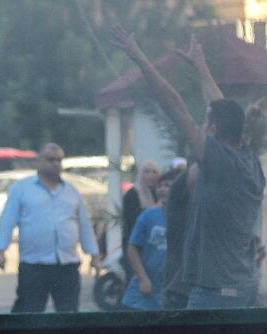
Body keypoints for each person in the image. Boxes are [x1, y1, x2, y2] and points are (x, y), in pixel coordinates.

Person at [113, 26, 265, 309]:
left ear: (215, 130)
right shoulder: (248, 161)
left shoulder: (220, 162)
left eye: (206, 123)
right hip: (241, 286)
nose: (202, 127)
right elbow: (221, 110)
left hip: (217, 294)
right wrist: (201, 66)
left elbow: (175, 106)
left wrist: (140, 58)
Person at [0, 143, 100, 313]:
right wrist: (1, 250)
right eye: (50, 159)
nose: (55, 164)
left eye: (59, 160)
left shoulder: (71, 191)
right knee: (29, 316)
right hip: (34, 265)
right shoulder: (22, 189)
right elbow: (8, 220)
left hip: (67, 265)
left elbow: (84, 225)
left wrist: (94, 255)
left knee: (68, 317)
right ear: (39, 162)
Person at [122, 171, 175, 310]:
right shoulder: (148, 216)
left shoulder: (188, 218)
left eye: (168, 185)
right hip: (145, 292)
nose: (162, 189)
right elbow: (132, 248)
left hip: (171, 293)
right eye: (160, 186)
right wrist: (142, 278)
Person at [121, 160, 160, 280]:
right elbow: (133, 220)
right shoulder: (132, 194)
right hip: (136, 246)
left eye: (154, 172)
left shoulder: (158, 194)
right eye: (147, 172)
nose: (151, 175)